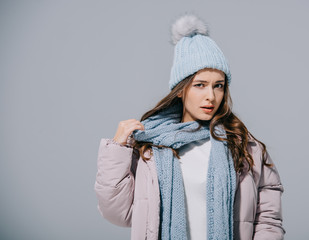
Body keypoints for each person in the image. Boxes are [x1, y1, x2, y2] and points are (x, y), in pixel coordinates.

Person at [94, 14, 285, 240]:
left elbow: (269, 219)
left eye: (218, 86)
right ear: (182, 89)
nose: (211, 96)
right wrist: (117, 149)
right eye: (200, 85)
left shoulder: (245, 147)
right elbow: (118, 213)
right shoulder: (151, 148)